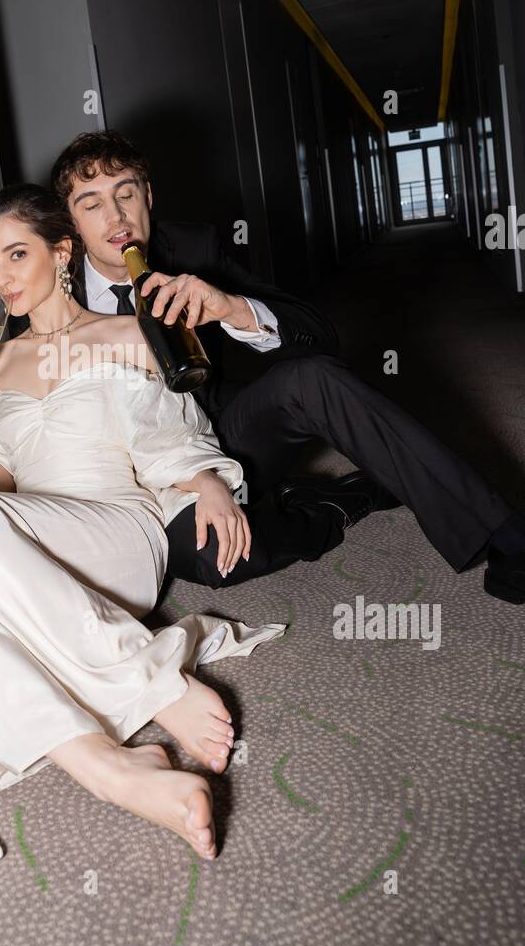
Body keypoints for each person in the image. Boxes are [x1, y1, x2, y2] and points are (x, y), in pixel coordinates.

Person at [0, 184, 317, 862]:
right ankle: (107, 766)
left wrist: (205, 483)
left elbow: (166, 437)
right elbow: (0, 495)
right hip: (33, 541)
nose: (2, 278)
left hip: (117, 533)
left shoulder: (128, 334)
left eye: (16, 254)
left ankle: (143, 688)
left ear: (61, 253)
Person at [35, 130, 525, 605]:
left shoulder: (193, 250)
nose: (116, 216)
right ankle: (336, 502)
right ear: (71, 224)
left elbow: (319, 334)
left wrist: (230, 307)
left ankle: (502, 533)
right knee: (217, 559)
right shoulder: (47, 290)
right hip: (127, 477)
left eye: (127, 194)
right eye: (92, 203)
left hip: (218, 436)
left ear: (149, 196)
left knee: (312, 377)